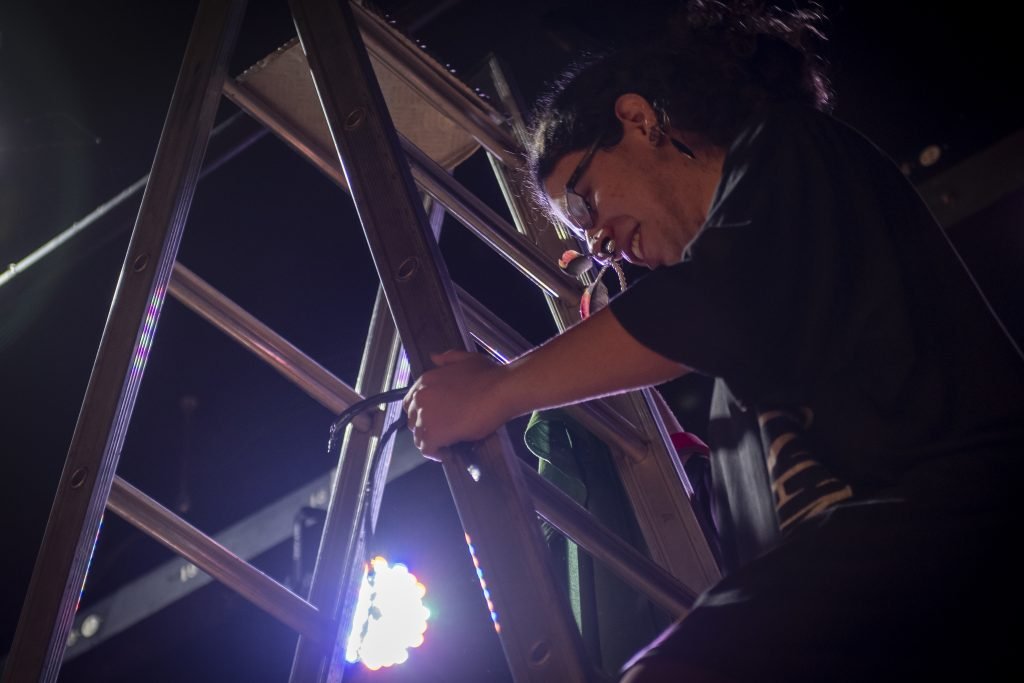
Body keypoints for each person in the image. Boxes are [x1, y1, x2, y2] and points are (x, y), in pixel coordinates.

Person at [403, 2, 1024, 680]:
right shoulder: (738, 377)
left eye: (584, 203)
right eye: (581, 238)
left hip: (958, 516)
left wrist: (496, 389)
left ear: (639, 121)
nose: (599, 243)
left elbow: (715, 301)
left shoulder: (790, 149)